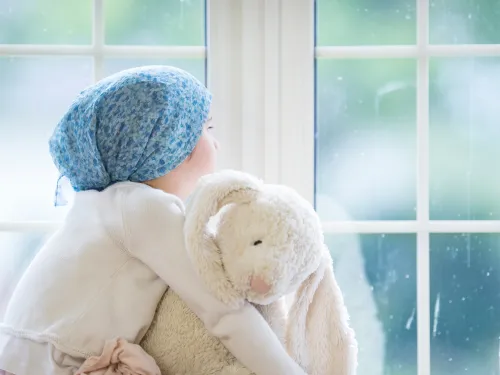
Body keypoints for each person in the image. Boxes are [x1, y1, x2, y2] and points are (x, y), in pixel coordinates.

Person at [0, 66, 306, 375]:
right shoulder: (144, 208)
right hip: (54, 362)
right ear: (172, 143)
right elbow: (222, 309)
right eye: (208, 128)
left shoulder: (98, 204)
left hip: (22, 354)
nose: (217, 144)